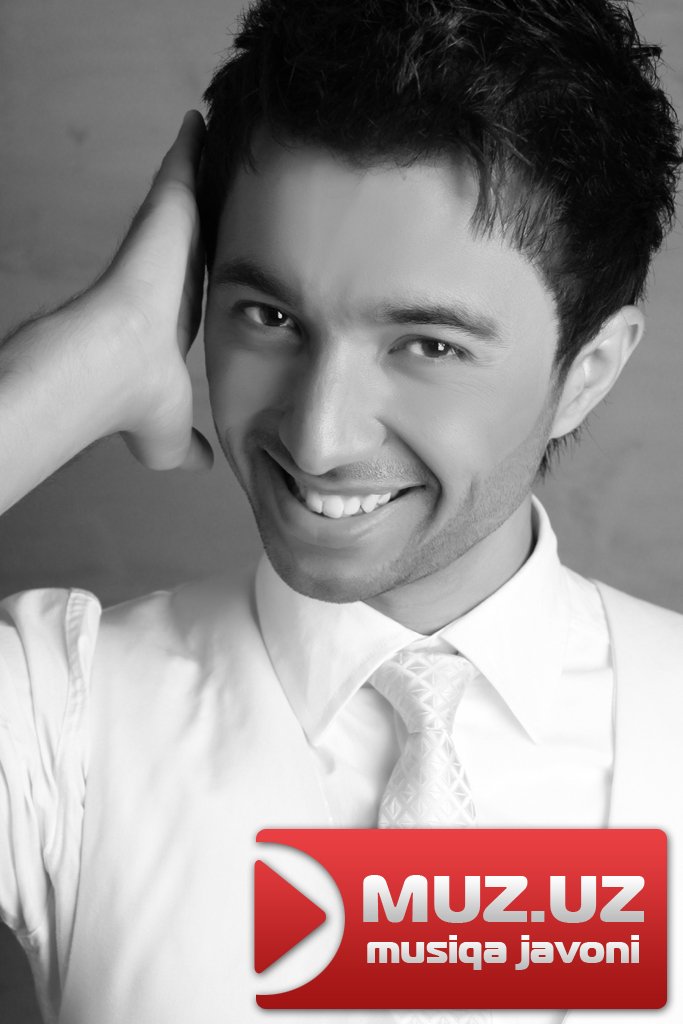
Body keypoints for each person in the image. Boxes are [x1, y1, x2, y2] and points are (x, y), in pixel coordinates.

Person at [0, 0, 681, 1022]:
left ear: (585, 372)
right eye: (270, 316)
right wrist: (80, 361)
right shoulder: (61, 716)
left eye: (428, 345)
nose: (317, 438)